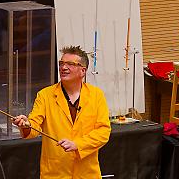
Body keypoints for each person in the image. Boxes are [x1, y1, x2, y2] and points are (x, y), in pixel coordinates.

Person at [12, 45, 111, 178]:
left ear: (83, 71)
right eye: (61, 63)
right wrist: (26, 124)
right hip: (55, 172)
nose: (63, 68)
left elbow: (103, 132)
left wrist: (78, 144)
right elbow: (35, 126)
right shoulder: (45, 95)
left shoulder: (96, 95)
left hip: (87, 173)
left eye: (70, 64)